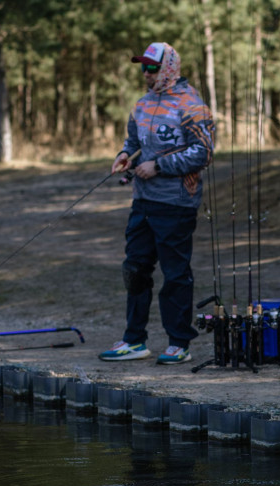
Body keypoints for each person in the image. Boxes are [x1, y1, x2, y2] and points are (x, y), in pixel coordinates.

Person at [99, 41, 214, 365]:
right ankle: (134, 341)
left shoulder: (192, 105)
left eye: (152, 67)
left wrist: (159, 166)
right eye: (143, 67)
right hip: (143, 201)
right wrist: (125, 155)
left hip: (176, 203)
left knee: (175, 274)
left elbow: (203, 153)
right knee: (135, 269)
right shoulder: (142, 105)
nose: (146, 74)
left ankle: (179, 343)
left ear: (169, 68)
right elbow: (133, 142)